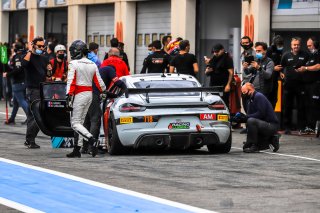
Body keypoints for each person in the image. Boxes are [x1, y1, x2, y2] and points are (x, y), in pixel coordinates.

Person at [66, 40, 106, 158]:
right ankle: (77, 149)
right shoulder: (92, 64)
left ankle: (92, 140)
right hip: (90, 94)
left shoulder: (73, 64)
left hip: (79, 94)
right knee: (81, 122)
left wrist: (68, 97)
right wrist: (103, 91)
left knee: (75, 123)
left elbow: (71, 82)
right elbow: (99, 82)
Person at [81, 65, 127, 154]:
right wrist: (125, 88)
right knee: (95, 120)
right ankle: (92, 148)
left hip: (84, 94)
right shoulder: (110, 69)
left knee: (87, 122)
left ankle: (84, 147)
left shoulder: (100, 71)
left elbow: (103, 91)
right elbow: (117, 81)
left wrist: (114, 95)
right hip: (92, 95)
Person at [22, 36, 50, 149]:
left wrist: (49, 71)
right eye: (39, 46)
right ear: (33, 45)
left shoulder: (44, 58)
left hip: (42, 89)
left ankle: (29, 140)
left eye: (43, 46)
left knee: (34, 115)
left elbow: (47, 75)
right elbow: (24, 64)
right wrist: (29, 50)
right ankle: (30, 140)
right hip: (32, 89)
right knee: (36, 115)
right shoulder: (29, 56)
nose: (42, 48)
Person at [237, 83, 280, 153]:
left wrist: (246, 117)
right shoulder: (251, 100)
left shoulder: (259, 96)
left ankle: (255, 145)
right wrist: (241, 118)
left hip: (272, 125)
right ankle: (271, 139)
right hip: (264, 124)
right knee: (249, 121)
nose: (243, 94)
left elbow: (261, 114)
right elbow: (250, 115)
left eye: (244, 92)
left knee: (251, 121)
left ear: (250, 90)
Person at [280, 37, 309, 135]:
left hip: (301, 85)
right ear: (291, 45)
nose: (296, 46)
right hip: (288, 85)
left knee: (301, 106)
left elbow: (309, 67)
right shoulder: (286, 55)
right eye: (294, 44)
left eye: (298, 44)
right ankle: (287, 127)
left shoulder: (305, 55)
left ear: (300, 45)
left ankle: (301, 127)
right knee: (287, 106)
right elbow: (280, 67)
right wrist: (281, 74)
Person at [296, 37, 320, 133]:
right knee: (308, 106)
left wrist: (305, 68)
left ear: (315, 45)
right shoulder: (310, 56)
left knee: (315, 106)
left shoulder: (318, 54)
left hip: (316, 85)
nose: (308, 47)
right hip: (307, 86)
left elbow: (318, 66)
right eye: (307, 46)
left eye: (310, 45)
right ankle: (309, 126)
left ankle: (315, 126)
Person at [5, 42, 29, 125]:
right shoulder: (25, 55)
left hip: (18, 82)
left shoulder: (17, 57)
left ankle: (30, 118)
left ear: (16, 48)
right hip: (24, 81)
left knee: (22, 100)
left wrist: (8, 74)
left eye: (13, 47)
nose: (12, 48)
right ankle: (12, 118)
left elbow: (18, 69)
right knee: (15, 102)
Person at [205, 43, 234, 108]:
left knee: (224, 102)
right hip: (213, 84)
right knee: (213, 102)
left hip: (223, 84)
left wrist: (228, 85)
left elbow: (231, 72)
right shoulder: (213, 58)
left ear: (222, 50)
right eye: (214, 52)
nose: (215, 53)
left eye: (217, 51)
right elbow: (207, 72)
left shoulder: (227, 58)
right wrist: (207, 70)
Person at [266, 35, 285, 109]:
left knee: (274, 99)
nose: (280, 46)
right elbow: (264, 65)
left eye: (281, 45)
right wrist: (273, 68)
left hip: (275, 79)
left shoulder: (279, 51)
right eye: (278, 45)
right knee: (268, 98)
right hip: (268, 79)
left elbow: (279, 63)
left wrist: (280, 72)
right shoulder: (269, 50)